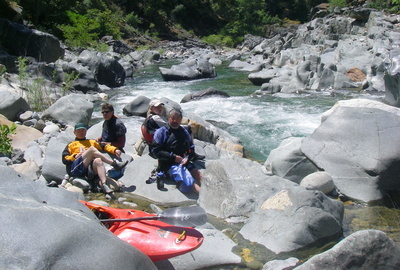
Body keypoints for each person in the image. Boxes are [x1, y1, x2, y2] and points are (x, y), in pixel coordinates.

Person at [62, 123, 128, 194]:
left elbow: (104, 146)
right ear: (74, 132)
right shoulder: (71, 145)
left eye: (83, 130)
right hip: (75, 169)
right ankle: (114, 164)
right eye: (79, 131)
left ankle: (104, 184)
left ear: (86, 131)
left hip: (89, 170)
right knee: (92, 149)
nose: (81, 132)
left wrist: (115, 150)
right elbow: (65, 159)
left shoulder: (91, 142)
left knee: (98, 160)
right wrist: (75, 156)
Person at [151, 109, 202, 193]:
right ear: (168, 118)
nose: (175, 120)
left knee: (199, 175)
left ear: (181, 119)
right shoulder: (161, 132)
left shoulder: (184, 132)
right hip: (168, 165)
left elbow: (191, 148)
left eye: (177, 118)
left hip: (183, 161)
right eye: (172, 118)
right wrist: (173, 157)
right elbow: (155, 152)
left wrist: (187, 158)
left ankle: (212, 193)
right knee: (189, 184)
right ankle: (207, 199)